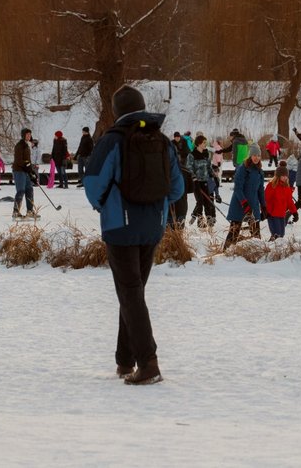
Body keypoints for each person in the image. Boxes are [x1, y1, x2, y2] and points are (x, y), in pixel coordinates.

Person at [83, 84, 183, 386]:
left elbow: (93, 183)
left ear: (117, 112)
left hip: (119, 226)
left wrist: (106, 206)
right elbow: (177, 188)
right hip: (152, 227)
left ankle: (148, 363)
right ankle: (125, 360)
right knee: (133, 293)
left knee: (130, 294)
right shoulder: (164, 141)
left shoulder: (112, 141)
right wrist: (156, 208)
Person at [225, 144, 266, 246]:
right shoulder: (243, 169)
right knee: (234, 232)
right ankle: (226, 253)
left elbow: (260, 190)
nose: (256, 158)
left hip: (253, 205)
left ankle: (257, 253)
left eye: (258, 155)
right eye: (254, 155)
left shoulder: (260, 171)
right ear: (250, 156)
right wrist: (244, 203)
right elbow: (238, 188)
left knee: (256, 234)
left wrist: (264, 206)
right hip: (240, 204)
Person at [186, 135, 216, 228]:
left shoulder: (205, 154)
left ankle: (209, 219)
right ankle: (200, 220)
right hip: (196, 182)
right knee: (200, 201)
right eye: (204, 143)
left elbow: (208, 166)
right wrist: (194, 178)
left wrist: (213, 175)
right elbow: (189, 168)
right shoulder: (192, 155)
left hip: (205, 181)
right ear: (199, 143)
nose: (205, 144)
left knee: (207, 201)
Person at [264, 165, 298, 241]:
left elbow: (289, 201)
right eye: (283, 176)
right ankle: (271, 247)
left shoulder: (286, 187)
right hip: (272, 215)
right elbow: (266, 199)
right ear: (278, 176)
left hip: (282, 215)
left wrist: (295, 212)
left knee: (281, 235)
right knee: (277, 235)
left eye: (286, 176)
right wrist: (267, 211)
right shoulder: (272, 186)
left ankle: (272, 246)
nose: (285, 178)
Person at [12, 128, 39, 219]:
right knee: (21, 190)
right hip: (19, 170)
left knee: (29, 190)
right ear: (23, 135)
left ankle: (30, 211)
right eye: (27, 134)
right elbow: (19, 160)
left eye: (30, 134)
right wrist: (27, 167)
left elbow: (28, 161)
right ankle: (16, 212)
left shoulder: (27, 145)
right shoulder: (20, 145)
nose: (29, 136)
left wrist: (32, 173)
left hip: (25, 171)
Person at [211, 138, 225, 203]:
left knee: (217, 175)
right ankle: (217, 183)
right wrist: (219, 162)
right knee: (217, 175)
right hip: (216, 164)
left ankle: (217, 183)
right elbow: (218, 155)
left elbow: (217, 155)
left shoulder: (216, 147)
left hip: (215, 163)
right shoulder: (218, 147)